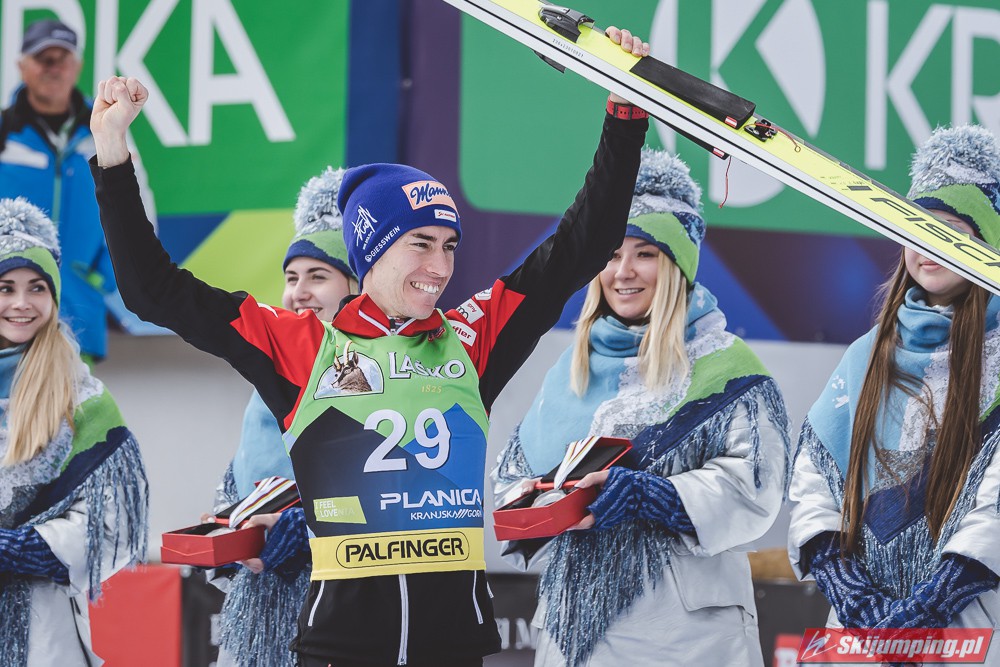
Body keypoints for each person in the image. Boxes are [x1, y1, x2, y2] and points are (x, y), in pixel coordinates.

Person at [89, 27, 651, 667]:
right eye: (421, 244)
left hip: (453, 649)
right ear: (373, 249)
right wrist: (112, 154)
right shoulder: (300, 344)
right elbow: (152, 291)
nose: (440, 267)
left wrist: (624, 115)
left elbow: (582, 245)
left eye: (449, 246)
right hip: (340, 648)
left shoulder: (472, 337)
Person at [494, 149, 792, 667]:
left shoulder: (728, 367)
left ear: (678, 264)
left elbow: (756, 490)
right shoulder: (569, 370)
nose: (623, 271)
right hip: (572, 636)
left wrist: (652, 495)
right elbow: (512, 479)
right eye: (610, 254)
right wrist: (546, 500)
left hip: (686, 639)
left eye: (646, 253)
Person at [787, 125, 1000, 656]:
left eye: (952, 229)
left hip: (969, 631)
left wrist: (930, 606)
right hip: (860, 635)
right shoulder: (865, 354)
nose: (930, 243)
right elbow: (814, 481)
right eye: (916, 225)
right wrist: (851, 594)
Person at [213, 166, 358, 667]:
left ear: (356, 288)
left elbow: (394, 500)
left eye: (318, 276)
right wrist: (232, 527)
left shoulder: (381, 380)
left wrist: (308, 528)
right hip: (256, 619)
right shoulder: (267, 385)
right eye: (291, 278)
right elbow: (237, 486)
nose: (298, 292)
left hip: (345, 614)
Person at [0, 197, 148, 666]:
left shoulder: (83, 400)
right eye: (5, 287)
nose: (21, 303)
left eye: (37, 287)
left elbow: (116, 527)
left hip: (42, 633)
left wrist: (19, 549)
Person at [0, 19, 154, 362]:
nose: (53, 67)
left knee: (74, 399)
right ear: (22, 66)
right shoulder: (3, 133)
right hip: (7, 313)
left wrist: (106, 279)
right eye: (44, 59)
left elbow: (138, 210)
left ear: (77, 66)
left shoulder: (107, 130)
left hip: (78, 315)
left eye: (63, 58)